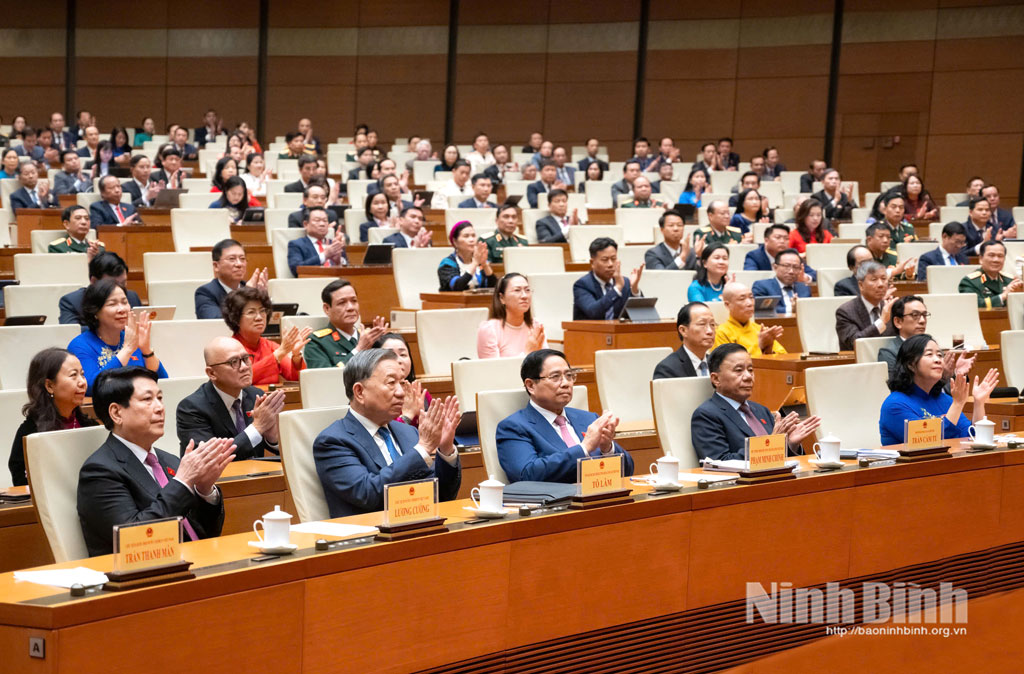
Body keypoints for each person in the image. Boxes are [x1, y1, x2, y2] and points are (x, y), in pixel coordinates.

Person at [77, 367, 233, 557]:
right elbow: (133, 538)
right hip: (144, 577)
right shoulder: (100, 471)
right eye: (147, 399)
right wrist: (182, 482)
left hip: (194, 562)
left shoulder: (170, 461)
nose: (159, 407)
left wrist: (204, 491)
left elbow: (206, 533)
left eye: (160, 398)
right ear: (116, 413)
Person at [313, 349, 462, 517]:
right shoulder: (333, 441)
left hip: (417, 529)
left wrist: (446, 449)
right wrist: (423, 448)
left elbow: (441, 496)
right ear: (359, 392)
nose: (400, 392)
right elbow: (367, 494)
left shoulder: (408, 432)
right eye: (391, 383)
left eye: (402, 383)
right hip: (370, 537)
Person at [495, 349, 634, 483]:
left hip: (600, 497)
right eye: (555, 377)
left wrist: (608, 448)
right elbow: (526, 475)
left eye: (569, 376)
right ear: (530, 385)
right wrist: (583, 448)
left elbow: (628, 472)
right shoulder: (514, 427)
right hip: (558, 504)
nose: (566, 383)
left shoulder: (589, 419)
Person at [689, 344, 821, 461]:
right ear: (716, 379)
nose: (748, 376)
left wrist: (790, 445)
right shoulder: (707, 415)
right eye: (738, 370)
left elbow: (778, 458)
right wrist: (772, 443)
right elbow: (719, 463)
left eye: (750, 370)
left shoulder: (761, 410)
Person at [176, 336, 286, 459]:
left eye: (246, 358)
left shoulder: (255, 395)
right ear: (212, 373)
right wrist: (258, 427)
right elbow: (208, 459)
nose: (244, 367)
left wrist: (272, 437)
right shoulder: (191, 408)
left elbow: (277, 449)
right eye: (233, 362)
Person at [879, 334, 999, 446]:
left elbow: (971, 437)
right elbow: (931, 442)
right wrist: (957, 404)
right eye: (929, 354)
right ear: (910, 364)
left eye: (940, 355)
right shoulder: (894, 405)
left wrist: (979, 403)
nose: (938, 360)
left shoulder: (945, 400)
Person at [8, 348, 96, 487]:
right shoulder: (31, 433)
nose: (82, 382)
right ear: (49, 385)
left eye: (82, 375)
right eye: (73, 375)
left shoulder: (90, 426)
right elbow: (22, 483)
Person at [67, 280, 168, 394]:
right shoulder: (80, 345)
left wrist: (146, 350)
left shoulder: (132, 338)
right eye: (112, 304)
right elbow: (91, 387)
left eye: (125, 302)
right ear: (95, 311)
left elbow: (163, 382)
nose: (122, 309)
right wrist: (127, 350)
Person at [223, 286, 309, 384]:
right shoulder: (229, 349)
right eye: (251, 312)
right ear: (236, 319)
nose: (259, 317)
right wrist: (277, 355)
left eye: (262, 311)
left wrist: (296, 356)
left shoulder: (271, 346)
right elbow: (240, 379)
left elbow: (296, 379)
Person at [876, 296, 975, 381]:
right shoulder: (889, 353)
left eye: (924, 315)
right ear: (898, 322)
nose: (922, 320)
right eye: (915, 315)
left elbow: (948, 391)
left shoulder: (932, 346)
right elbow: (898, 388)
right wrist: (942, 376)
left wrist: (957, 374)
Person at [305, 279, 389, 368]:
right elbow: (324, 378)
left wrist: (382, 344)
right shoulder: (316, 342)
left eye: (354, 301)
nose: (350, 307)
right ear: (327, 309)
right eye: (342, 303)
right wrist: (359, 350)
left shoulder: (368, 338)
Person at [60, 252, 143, 326]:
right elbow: (70, 333)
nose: (119, 289)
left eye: (123, 283)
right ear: (94, 281)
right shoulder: (72, 302)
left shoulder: (132, 297)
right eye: (112, 284)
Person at [194, 239, 268, 320]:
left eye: (242, 259)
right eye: (232, 259)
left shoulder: (250, 289)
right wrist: (245, 297)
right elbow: (216, 322)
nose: (239, 264)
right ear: (216, 266)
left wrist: (264, 300)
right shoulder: (205, 293)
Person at [477, 273, 546, 358]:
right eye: (517, 290)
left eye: (527, 290)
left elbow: (545, 363)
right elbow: (493, 369)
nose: (524, 296)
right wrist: (528, 352)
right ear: (501, 298)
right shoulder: (489, 330)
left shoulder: (535, 325)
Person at [572, 237, 642, 319]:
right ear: (592, 263)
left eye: (613, 259)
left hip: (618, 331)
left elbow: (641, 314)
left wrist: (634, 289)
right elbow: (593, 312)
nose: (610, 264)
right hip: (593, 331)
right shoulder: (582, 285)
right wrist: (617, 288)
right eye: (605, 260)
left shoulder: (625, 282)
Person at [372, 332, 432, 427]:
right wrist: (408, 415)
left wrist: (424, 418)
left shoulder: (420, 392)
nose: (399, 360)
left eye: (403, 355)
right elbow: (385, 436)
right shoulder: (374, 395)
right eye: (390, 355)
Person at [835, 261, 897, 351]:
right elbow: (854, 343)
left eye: (884, 279)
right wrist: (882, 321)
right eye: (874, 279)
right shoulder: (846, 312)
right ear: (861, 285)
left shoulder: (892, 307)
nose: (880, 284)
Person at [714, 283, 785, 355]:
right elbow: (728, 363)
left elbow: (783, 355)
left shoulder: (760, 329)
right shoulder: (721, 333)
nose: (750, 303)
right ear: (727, 305)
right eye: (742, 299)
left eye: (751, 297)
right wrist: (759, 346)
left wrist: (768, 349)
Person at [653, 302, 716, 379]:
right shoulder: (668, 369)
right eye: (702, 324)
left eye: (712, 324)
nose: (710, 331)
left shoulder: (718, 364)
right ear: (683, 330)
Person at [959, 240, 1023, 308]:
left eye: (1000, 256)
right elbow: (974, 306)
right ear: (981, 259)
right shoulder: (969, 282)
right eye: (991, 255)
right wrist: (1003, 296)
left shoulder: (1009, 280)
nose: (996, 260)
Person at [438, 220, 497, 292]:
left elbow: (494, 288)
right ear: (455, 241)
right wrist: (475, 263)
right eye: (466, 236)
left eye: (473, 236)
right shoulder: (447, 263)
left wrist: (484, 265)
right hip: (454, 302)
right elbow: (457, 287)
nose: (471, 239)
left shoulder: (479, 260)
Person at [287, 207, 348, 276]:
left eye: (325, 221)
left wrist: (338, 262)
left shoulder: (334, 243)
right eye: (317, 220)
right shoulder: (296, 244)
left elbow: (348, 270)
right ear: (306, 224)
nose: (322, 224)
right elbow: (296, 269)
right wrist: (324, 255)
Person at [752, 248, 812, 314]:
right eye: (786, 266)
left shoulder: (804, 288)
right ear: (775, 267)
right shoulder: (762, 286)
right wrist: (791, 309)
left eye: (795, 267)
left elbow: (810, 310)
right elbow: (762, 310)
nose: (791, 271)